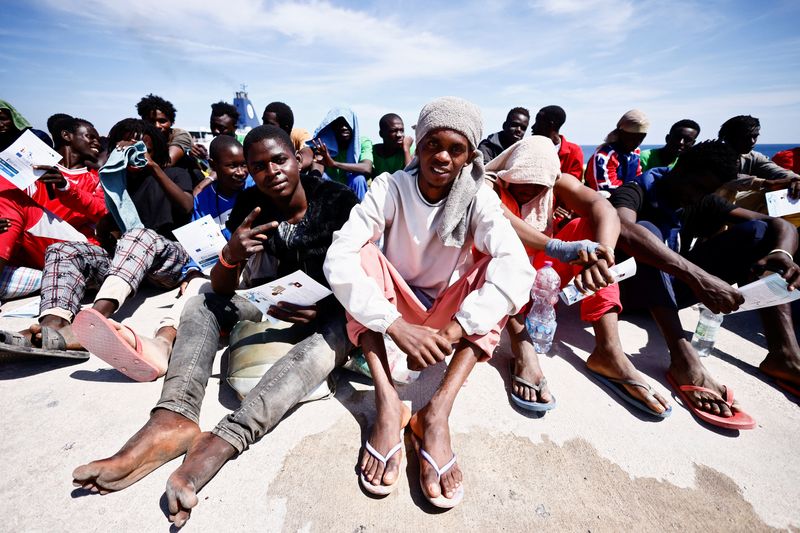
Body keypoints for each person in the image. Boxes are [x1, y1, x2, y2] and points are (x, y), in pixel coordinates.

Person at [71, 125, 358, 529]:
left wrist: (325, 308)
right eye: (258, 166)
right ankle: (174, 417)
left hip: (327, 315)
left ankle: (223, 440)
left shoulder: (337, 202)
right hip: (272, 305)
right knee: (202, 302)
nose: (271, 171)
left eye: (279, 160)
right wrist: (230, 254)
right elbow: (223, 288)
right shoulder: (252, 204)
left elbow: (365, 279)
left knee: (337, 332)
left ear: (297, 160)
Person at [324, 96, 535, 507]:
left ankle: (435, 414)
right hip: (397, 304)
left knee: (497, 270)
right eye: (432, 144)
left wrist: (456, 328)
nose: (441, 157)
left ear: (469, 156)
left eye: (455, 150)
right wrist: (395, 325)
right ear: (417, 144)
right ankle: (388, 406)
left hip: (447, 312)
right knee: (359, 256)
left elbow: (518, 266)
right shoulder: (391, 188)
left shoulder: (478, 198)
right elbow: (339, 257)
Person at [610, 140, 800, 429]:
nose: (697, 197)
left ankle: (784, 355)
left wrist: (782, 254)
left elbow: (781, 226)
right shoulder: (634, 190)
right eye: (696, 187)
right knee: (645, 233)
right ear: (682, 167)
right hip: (630, 291)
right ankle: (683, 358)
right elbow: (624, 230)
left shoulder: (701, 199)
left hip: (672, 289)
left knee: (760, 233)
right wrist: (699, 277)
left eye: (706, 192)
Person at [483, 136, 669, 416]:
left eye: (538, 185)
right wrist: (558, 247)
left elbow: (603, 208)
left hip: (542, 273)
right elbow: (499, 218)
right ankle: (523, 347)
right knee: (495, 249)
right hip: (499, 274)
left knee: (589, 229)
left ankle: (608, 352)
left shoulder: (559, 182)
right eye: (522, 182)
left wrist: (603, 256)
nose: (529, 191)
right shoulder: (489, 183)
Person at [1, 119, 193, 359]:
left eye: (142, 149)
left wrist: (153, 166)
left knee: (138, 235)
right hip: (125, 267)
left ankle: (91, 324)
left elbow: (186, 206)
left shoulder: (173, 173)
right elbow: (102, 226)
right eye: (126, 148)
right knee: (63, 250)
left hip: (165, 261)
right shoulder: (110, 182)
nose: (134, 155)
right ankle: (51, 328)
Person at [73, 135, 254, 375]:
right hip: (214, 266)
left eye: (244, 164)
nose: (241, 172)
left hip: (246, 266)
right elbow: (197, 239)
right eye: (233, 166)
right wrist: (190, 270)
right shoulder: (206, 197)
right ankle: (162, 342)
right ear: (214, 165)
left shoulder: (254, 189)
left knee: (198, 292)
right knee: (194, 288)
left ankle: (161, 344)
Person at [0, 118, 105, 301]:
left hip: (75, 249)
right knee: (6, 191)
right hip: (30, 251)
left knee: (14, 201)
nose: (97, 142)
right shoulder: (35, 167)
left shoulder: (96, 178)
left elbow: (101, 212)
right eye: (90, 136)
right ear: (66, 136)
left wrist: (66, 187)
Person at [716, 115, 800, 212]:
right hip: (711, 208)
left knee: (786, 192)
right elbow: (729, 178)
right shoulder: (710, 155)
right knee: (767, 194)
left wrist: (796, 180)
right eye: (746, 137)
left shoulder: (753, 157)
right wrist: (766, 183)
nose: (752, 141)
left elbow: (778, 172)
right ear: (728, 137)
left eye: (755, 136)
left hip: (734, 207)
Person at [310, 107, 373, 200]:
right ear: (332, 126)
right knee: (319, 178)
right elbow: (318, 164)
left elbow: (367, 168)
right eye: (339, 124)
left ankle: (360, 213)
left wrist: (334, 164)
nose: (344, 127)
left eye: (347, 124)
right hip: (332, 187)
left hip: (352, 187)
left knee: (358, 179)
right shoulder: (324, 143)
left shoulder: (363, 143)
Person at [585, 109, 649, 192]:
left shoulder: (635, 153)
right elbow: (605, 189)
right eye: (631, 138)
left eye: (641, 138)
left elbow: (638, 178)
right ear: (620, 133)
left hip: (629, 199)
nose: (636, 142)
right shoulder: (604, 156)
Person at [136, 94, 193, 168]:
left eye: (162, 121)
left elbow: (168, 162)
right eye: (151, 121)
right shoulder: (140, 135)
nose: (157, 126)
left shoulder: (180, 134)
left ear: (171, 122)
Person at [530, 105, 584, 180]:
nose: (532, 127)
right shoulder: (530, 148)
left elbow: (574, 183)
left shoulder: (574, 152)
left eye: (538, 122)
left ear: (550, 125)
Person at [371, 113, 413, 178]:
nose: (399, 135)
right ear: (381, 133)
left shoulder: (408, 149)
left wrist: (406, 150)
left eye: (402, 131)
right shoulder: (374, 151)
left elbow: (411, 176)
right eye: (394, 131)